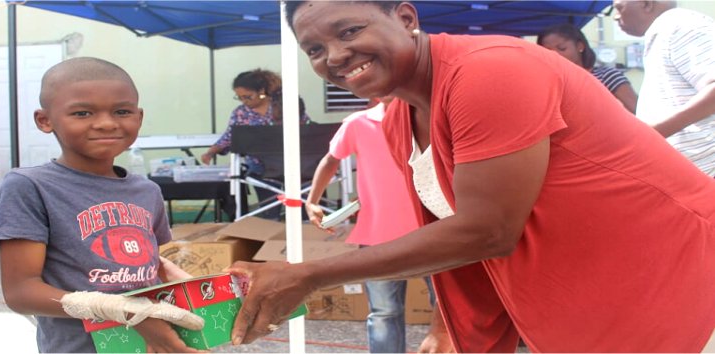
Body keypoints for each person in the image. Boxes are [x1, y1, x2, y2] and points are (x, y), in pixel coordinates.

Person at [224, 1, 715, 352]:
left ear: (405, 17)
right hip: (599, 298)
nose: (332, 56)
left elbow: (488, 230)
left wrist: (306, 274)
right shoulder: (402, 116)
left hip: (679, 277)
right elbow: (454, 234)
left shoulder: (490, 72)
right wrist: (448, 328)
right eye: (313, 49)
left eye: (349, 31)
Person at [0, 57, 204, 353]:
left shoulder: (147, 191)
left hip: (152, 344)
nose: (106, 123)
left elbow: (155, 269)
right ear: (45, 120)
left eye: (122, 111)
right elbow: (21, 292)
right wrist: (120, 310)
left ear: (138, 117)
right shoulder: (30, 187)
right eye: (82, 112)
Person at [305, 97, 451, 353]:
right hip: (379, 234)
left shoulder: (428, 117)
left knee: (446, 307)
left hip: (432, 231)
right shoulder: (358, 123)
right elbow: (331, 159)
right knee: (384, 312)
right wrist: (312, 200)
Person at [613, 0, 715, 176]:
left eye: (620, 8)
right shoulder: (664, 31)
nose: (615, 16)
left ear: (646, 4)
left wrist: (654, 131)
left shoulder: (682, 25)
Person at [200, 69, 312, 220]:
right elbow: (230, 137)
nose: (244, 101)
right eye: (239, 98)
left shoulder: (287, 105)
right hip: (262, 168)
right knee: (269, 211)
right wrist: (211, 152)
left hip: (297, 165)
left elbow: (307, 131)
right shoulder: (240, 113)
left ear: (261, 91)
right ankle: (270, 226)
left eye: (247, 97)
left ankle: (306, 226)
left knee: (302, 207)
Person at [536, 22, 638, 113]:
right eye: (547, 52)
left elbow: (638, 110)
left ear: (580, 46)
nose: (555, 55)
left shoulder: (607, 76)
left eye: (562, 48)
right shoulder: (548, 84)